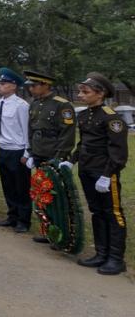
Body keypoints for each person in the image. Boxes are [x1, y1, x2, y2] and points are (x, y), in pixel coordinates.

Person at [64, 72, 128, 275]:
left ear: (100, 94)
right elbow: (83, 143)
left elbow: (118, 153)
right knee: (97, 211)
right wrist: (72, 161)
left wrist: (107, 175)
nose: (80, 94)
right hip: (87, 169)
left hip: (104, 172)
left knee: (113, 213)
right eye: (80, 91)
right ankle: (102, 254)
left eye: (86, 92)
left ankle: (116, 259)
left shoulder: (111, 118)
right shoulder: (83, 115)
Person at [24, 70, 77, 245]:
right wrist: (31, 152)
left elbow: (67, 134)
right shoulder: (35, 103)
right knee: (41, 193)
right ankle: (48, 230)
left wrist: (60, 157)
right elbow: (31, 130)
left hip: (53, 154)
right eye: (30, 86)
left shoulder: (62, 105)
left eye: (34, 85)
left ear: (46, 85)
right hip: (39, 152)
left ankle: (62, 232)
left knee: (57, 196)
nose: (31, 89)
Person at [0, 68, 32, 233]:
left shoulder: (21, 105)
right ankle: (12, 216)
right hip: (3, 148)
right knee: (8, 185)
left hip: (17, 150)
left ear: (13, 86)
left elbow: (26, 130)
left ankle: (24, 220)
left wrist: (27, 153)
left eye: (3, 83)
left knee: (21, 187)